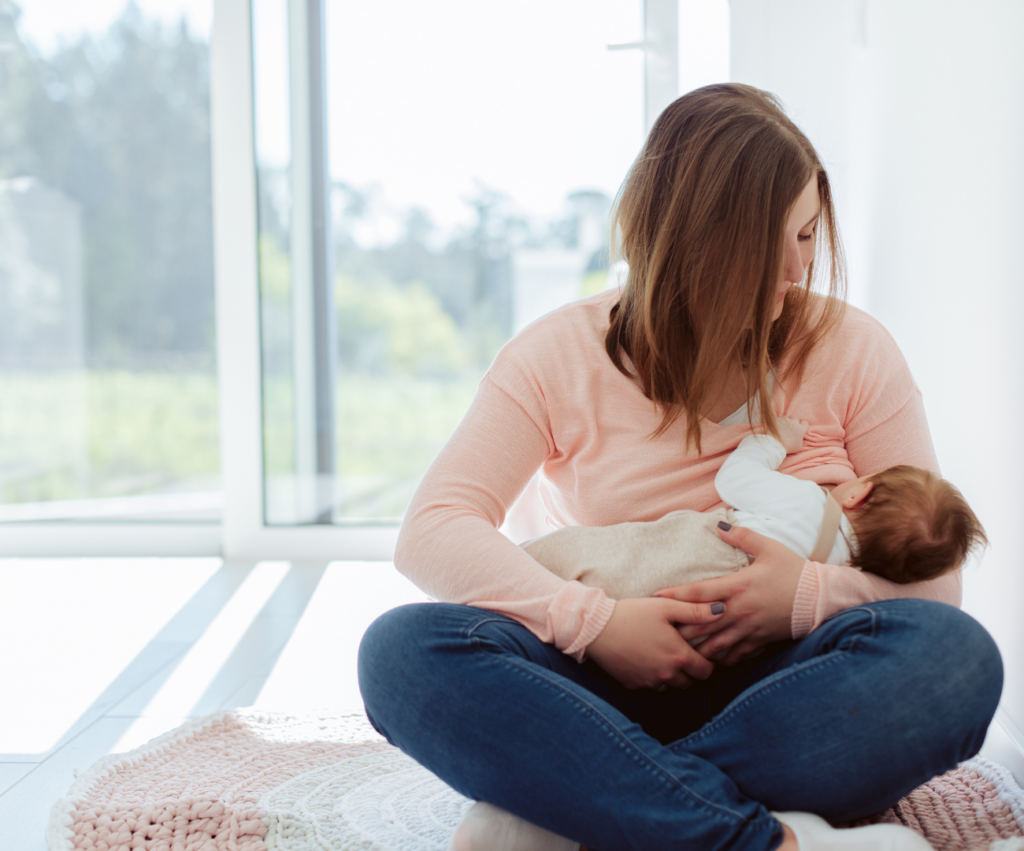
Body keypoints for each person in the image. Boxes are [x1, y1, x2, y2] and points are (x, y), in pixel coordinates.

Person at [357, 83, 1003, 851]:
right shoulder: (554, 354)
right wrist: (598, 625)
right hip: (595, 683)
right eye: (779, 245)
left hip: (786, 684)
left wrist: (803, 597)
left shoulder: (853, 349)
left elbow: (937, 589)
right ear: (695, 242)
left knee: (955, 662)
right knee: (402, 652)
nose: (800, 271)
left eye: (807, 237)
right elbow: (431, 530)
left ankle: (573, 806)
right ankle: (743, 836)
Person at [525, 416, 988, 600]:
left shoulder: (808, 501)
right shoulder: (845, 576)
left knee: (582, 554)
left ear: (856, 494)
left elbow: (736, 479)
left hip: (690, 552)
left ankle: (520, 563)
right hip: (709, 616)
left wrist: (772, 441)